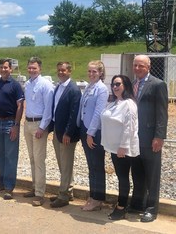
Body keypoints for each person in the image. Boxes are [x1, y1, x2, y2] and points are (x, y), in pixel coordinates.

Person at [130, 55, 168, 222]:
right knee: (137, 173)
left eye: (141, 66)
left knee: (152, 176)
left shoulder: (158, 84)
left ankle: (151, 208)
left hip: (150, 137)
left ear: (148, 67)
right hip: (134, 139)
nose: (138, 68)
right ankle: (138, 203)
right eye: (135, 65)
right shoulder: (132, 85)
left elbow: (162, 114)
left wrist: (159, 137)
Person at [101, 75, 139, 220]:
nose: (115, 87)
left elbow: (130, 127)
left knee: (123, 178)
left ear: (125, 85)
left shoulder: (129, 104)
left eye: (118, 84)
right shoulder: (114, 102)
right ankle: (121, 204)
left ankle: (121, 207)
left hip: (122, 149)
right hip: (113, 147)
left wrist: (123, 146)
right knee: (120, 177)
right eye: (113, 84)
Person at [0, 58, 24, 200]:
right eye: (1, 67)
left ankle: (9, 186)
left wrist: (16, 125)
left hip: (10, 123)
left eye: (6, 67)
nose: (3, 70)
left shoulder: (15, 86)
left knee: (10, 156)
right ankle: (1, 181)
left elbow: (20, 107)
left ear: (11, 69)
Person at [76, 60, 109, 211]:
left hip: (94, 132)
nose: (91, 74)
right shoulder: (89, 87)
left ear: (101, 73)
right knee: (91, 166)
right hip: (85, 129)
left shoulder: (102, 89)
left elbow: (98, 112)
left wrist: (90, 133)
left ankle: (98, 198)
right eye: (89, 71)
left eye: (94, 71)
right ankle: (93, 194)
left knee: (97, 165)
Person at [49, 62, 81, 208]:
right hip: (58, 130)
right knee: (63, 164)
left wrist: (68, 132)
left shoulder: (73, 89)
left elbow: (74, 114)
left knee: (66, 164)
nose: (60, 72)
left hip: (67, 134)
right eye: (59, 70)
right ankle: (68, 191)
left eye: (63, 70)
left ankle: (63, 196)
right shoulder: (58, 87)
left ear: (69, 71)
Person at [22, 57, 54, 206]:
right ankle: (35, 188)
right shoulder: (27, 84)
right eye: (29, 68)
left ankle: (40, 194)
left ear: (40, 68)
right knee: (32, 158)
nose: (31, 70)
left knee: (39, 160)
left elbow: (49, 108)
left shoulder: (46, 85)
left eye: (34, 68)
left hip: (39, 124)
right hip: (28, 123)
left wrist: (42, 127)